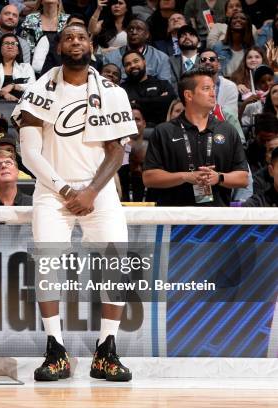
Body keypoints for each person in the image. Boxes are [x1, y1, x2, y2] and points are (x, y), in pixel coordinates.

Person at [13, 22, 136, 382]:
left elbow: (118, 152)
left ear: (91, 46)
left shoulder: (112, 92)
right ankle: (55, 349)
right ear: (58, 48)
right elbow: (30, 153)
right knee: (48, 266)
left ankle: (106, 351)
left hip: (99, 191)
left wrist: (91, 192)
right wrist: (67, 191)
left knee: (117, 262)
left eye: (81, 37)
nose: (75, 42)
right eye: (68, 37)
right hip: (53, 192)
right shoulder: (38, 91)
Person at [143, 68, 249, 206]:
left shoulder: (228, 130)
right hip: (174, 218)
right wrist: (185, 177)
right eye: (206, 89)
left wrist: (218, 177)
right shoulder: (164, 131)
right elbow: (149, 178)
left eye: (213, 88)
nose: (213, 93)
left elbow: (243, 178)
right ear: (188, 95)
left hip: (216, 218)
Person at [102, 18, 173, 84]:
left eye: (139, 29)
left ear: (147, 34)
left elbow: (165, 87)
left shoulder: (161, 58)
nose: (134, 32)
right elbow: (105, 85)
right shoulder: (110, 57)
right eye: (130, 29)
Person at [121, 49, 176, 125]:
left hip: (160, 128)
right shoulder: (121, 89)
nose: (132, 65)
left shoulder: (162, 84)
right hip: (133, 130)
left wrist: (136, 102)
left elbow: (169, 102)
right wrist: (157, 100)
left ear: (144, 62)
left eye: (136, 61)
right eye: (127, 64)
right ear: (124, 69)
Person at [0, 33, 36, 101]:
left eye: (13, 43)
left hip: (22, 104)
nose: (10, 46)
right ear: (0, 49)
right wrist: (5, 94)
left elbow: (33, 87)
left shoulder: (26, 67)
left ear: (18, 51)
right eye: (6, 43)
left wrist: (13, 86)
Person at [211, 11, 254, 78]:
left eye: (242, 18)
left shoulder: (252, 48)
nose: (238, 20)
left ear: (248, 24)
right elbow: (213, 71)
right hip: (224, 84)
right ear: (230, 23)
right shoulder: (218, 46)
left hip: (245, 85)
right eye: (235, 18)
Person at [198, 48, 238, 116]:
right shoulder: (193, 86)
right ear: (199, 66)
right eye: (203, 60)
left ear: (219, 65)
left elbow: (230, 115)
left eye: (212, 59)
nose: (207, 62)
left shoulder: (230, 86)